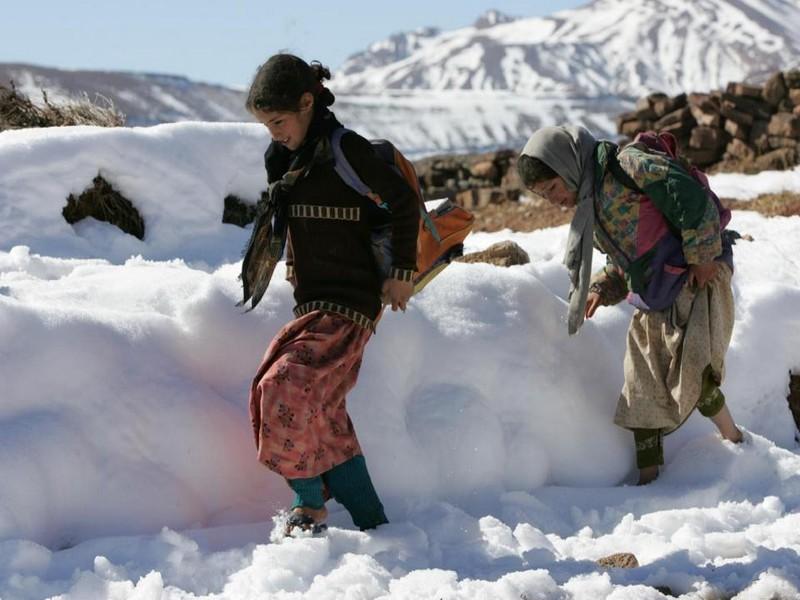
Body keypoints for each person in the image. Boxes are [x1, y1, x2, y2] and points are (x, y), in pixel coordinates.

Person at [241, 54, 419, 533]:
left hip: (353, 301)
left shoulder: (347, 150)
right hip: (313, 302)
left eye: (279, 121)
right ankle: (374, 523)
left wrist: (403, 270)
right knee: (325, 416)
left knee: (280, 385)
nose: (274, 132)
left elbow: (402, 203)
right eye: (266, 125)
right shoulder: (283, 159)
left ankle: (310, 502)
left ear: (307, 103)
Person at [517, 126, 743, 485]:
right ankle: (648, 482)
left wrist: (702, 257)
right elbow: (629, 255)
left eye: (553, 188)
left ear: (568, 165)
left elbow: (690, 198)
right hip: (653, 296)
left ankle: (738, 444)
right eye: (544, 195)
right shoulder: (593, 202)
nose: (553, 200)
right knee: (641, 390)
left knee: (694, 374)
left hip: (691, 280)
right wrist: (605, 286)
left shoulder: (629, 165)